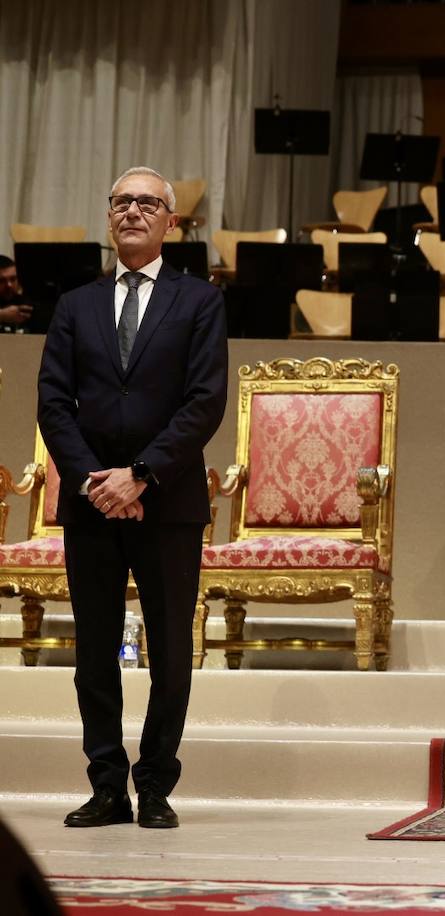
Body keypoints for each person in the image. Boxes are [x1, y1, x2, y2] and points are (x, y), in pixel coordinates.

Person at [37, 166, 228, 830]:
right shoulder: (76, 305)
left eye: (148, 203)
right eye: (122, 202)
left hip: (167, 504)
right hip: (93, 505)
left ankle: (155, 786)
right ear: (109, 215)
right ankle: (107, 785)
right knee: (95, 652)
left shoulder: (199, 301)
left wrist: (141, 475)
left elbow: (205, 403)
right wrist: (98, 481)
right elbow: (54, 406)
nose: (133, 212)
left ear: (171, 222)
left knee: (171, 652)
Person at [0, 255, 33, 330]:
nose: (9, 285)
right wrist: (2, 316)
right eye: (1, 281)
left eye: (13, 279)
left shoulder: (27, 303)